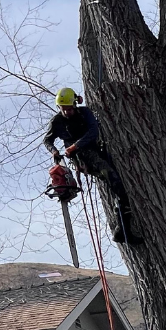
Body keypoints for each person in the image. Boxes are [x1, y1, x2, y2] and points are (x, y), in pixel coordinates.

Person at [43, 87, 142, 245]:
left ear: (75, 104)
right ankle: (122, 230)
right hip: (82, 158)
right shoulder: (57, 121)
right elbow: (47, 140)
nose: (67, 112)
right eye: (63, 109)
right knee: (116, 183)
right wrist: (54, 151)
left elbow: (93, 131)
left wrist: (75, 145)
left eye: (69, 108)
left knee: (117, 185)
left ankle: (122, 229)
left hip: (95, 151)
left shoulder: (85, 113)